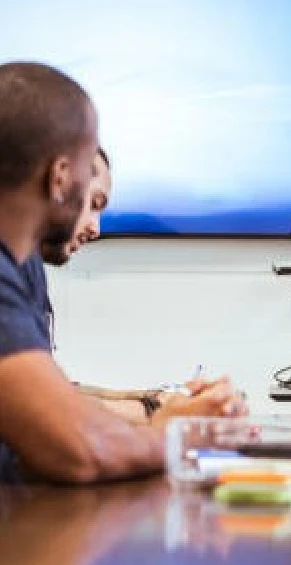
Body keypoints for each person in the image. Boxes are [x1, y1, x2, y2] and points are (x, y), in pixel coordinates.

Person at [0, 62, 242, 483]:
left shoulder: (17, 268)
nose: (94, 223)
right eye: (84, 174)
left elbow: (51, 402)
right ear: (60, 177)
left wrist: (158, 411)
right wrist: (178, 435)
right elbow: (78, 449)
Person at [22, 148, 242, 425]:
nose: (96, 229)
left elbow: (55, 389)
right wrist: (156, 414)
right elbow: (42, 405)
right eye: (93, 203)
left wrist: (150, 399)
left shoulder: (28, 267)